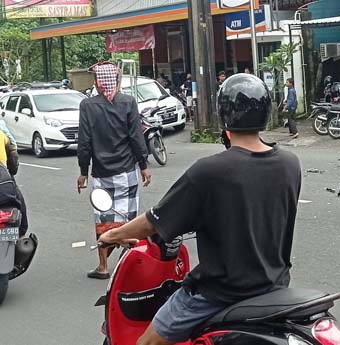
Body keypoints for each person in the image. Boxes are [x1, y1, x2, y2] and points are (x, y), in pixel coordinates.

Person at [98, 74, 301, 345]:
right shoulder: (290, 164)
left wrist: (111, 235)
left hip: (221, 293)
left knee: (145, 343)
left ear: (223, 115)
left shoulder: (210, 171)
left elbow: (153, 222)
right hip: (275, 286)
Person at [77, 61, 151, 279]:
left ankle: (103, 267)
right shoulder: (128, 102)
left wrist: (83, 171)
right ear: (117, 80)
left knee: (103, 220)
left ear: (98, 83)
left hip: (101, 174)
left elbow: (84, 142)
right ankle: (129, 266)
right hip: (127, 172)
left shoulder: (87, 106)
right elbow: (137, 137)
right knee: (129, 221)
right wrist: (144, 166)